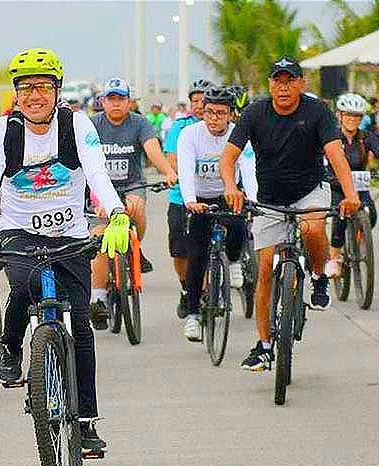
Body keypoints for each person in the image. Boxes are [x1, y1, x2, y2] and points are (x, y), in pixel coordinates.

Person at [0, 48, 130, 452]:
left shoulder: (76, 124)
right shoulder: (2, 132)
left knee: (81, 324)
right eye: (26, 88)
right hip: (20, 231)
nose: (35, 95)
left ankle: (85, 419)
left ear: (57, 91)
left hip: (70, 232)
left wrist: (117, 213)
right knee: (22, 286)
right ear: (16, 94)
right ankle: (11, 349)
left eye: (44, 87)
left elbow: (98, 174)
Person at [220, 57, 360, 371]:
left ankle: (320, 275)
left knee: (312, 229)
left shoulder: (317, 112)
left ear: (301, 84)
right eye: (277, 80)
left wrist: (350, 194)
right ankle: (265, 345)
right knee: (265, 268)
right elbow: (229, 156)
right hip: (269, 198)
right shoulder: (256, 112)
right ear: (270, 84)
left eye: (290, 80)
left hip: (309, 190)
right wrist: (231, 186)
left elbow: (336, 155)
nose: (283, 87)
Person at [88, 77, 178, 329]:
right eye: (111, 99)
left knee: (137, 209)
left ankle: (135, 249)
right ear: (102, 102)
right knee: (100, 237)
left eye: (121, 99)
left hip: (132, 185)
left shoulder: (140, 123)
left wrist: (168, 172)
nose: (116, 104)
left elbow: (152, 151)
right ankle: (99, 298)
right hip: (100, 190)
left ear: (130, 102)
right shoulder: (92, 125)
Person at [177, 86, 257, 341]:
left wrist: (252, 201)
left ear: (230, 115)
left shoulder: (239, 135)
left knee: (237, 225)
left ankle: (233, 261)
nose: (214, 118)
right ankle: (192, 315)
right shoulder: (190, 134)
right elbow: (186, 169)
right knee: (197, 255)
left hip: (227, 194)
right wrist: (189, 200)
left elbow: (248, 168)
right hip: (199, 199)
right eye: (209, 112)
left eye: (220, 114)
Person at [325, 93, 379, 278]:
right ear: (340, 115)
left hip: (360, 186)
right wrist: (325, 175)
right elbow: (320, 160)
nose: (352, 120)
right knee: (340, 218)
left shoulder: (367, 137)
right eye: (348, 115)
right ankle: (334, 257)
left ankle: (357, 238)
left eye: (357, 116)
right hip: (338, 186)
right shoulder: (331, 136)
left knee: (370, 215)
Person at [163, 78, 214, 318]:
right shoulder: (180, 127)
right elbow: (172, 158)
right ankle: (187, 287)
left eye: (204, 100)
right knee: (180, 250)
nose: (199, 105)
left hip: (213, 194)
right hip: (181, 196)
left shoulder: (221, 125)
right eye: (195, 101)